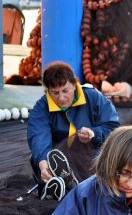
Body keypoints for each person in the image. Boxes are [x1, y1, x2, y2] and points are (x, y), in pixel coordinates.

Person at [27, 61, 120, 200]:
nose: (61, 97)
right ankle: (57, 183)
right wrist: (43, 165)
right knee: (41, 157)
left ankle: (67, 188)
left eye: (65, 90)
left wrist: (94, 134)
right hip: (57, 158)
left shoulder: (93, 97)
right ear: (47, 91)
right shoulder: (42, 106)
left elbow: (113, 128)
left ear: (75, 85)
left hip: (91, 155)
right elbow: (38, 136)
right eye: (55, 93)